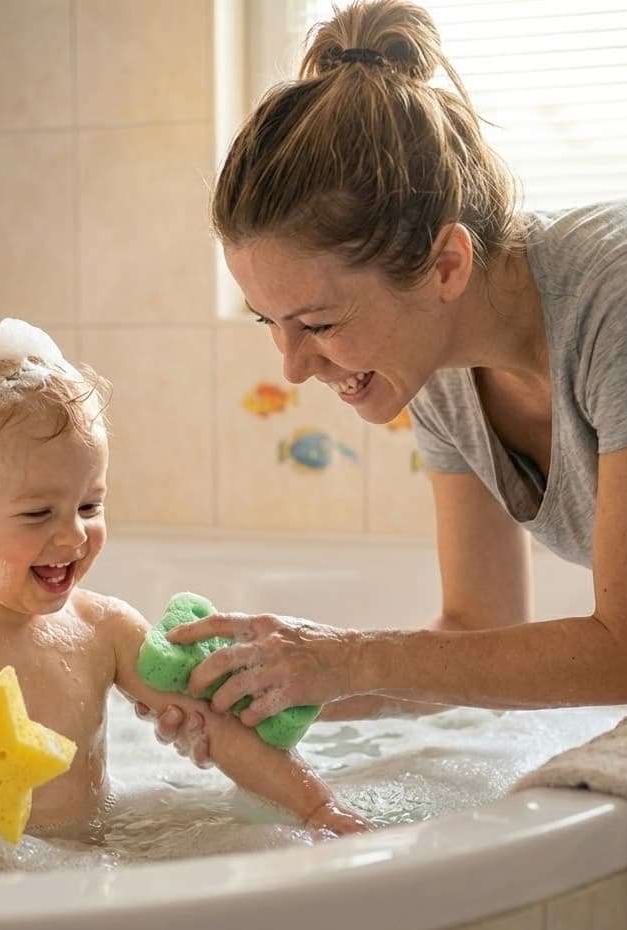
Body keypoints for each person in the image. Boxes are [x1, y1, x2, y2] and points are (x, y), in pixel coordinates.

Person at [142, 0, 627, 765]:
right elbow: (477, 628)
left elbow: (621, 652)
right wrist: (268, 683)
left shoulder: (614, 301)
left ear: (446, 264)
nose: (294, 367)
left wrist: (347, 656)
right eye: (268, 323)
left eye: (320, 325)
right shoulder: (433, 365)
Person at [0, 318, 370, 841]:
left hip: (85, 864)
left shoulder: (102, 630)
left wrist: (316, 805)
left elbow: (220, 729)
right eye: (38, 514)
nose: (72, 536)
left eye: (90, 504)